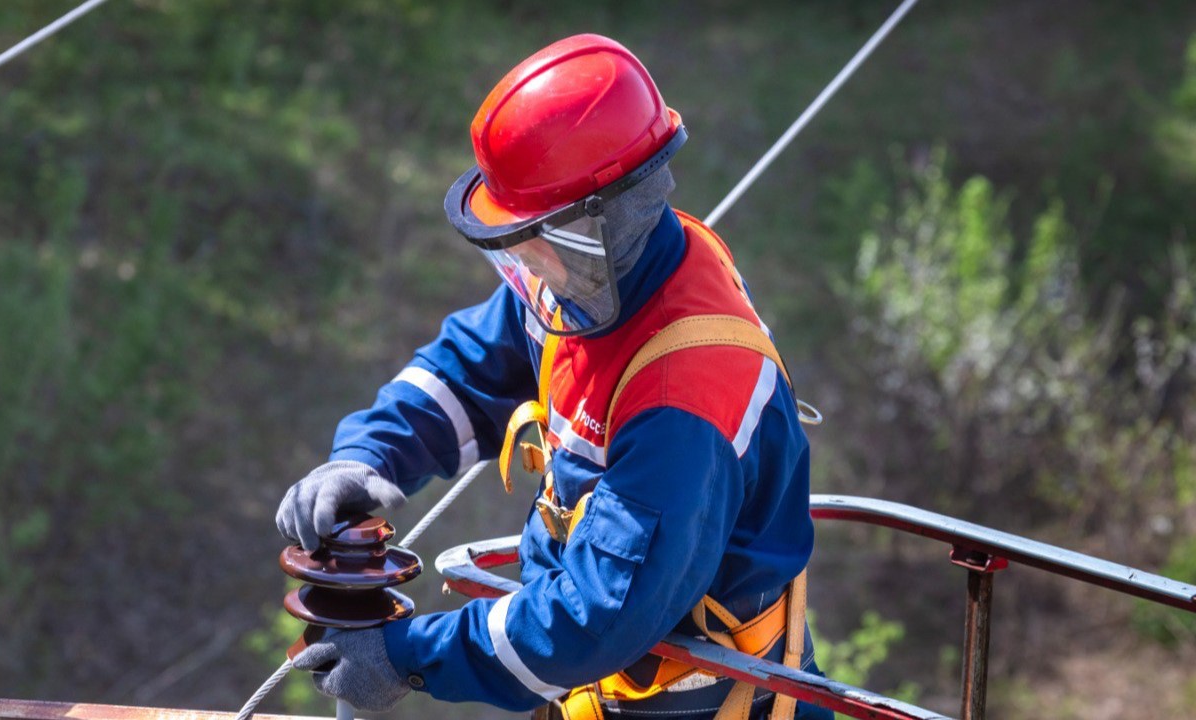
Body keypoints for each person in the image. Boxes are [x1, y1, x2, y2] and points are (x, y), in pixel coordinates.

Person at [276, 34, 832, 720]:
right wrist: (368, 456)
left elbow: (596, 618)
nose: (525, 266)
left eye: (536, 238)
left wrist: (409, 654)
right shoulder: (584, 279)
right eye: (514, 241)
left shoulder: (683, 399)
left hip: (706, 707)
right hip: (594, 694)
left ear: (608, 215)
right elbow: (467, 371)